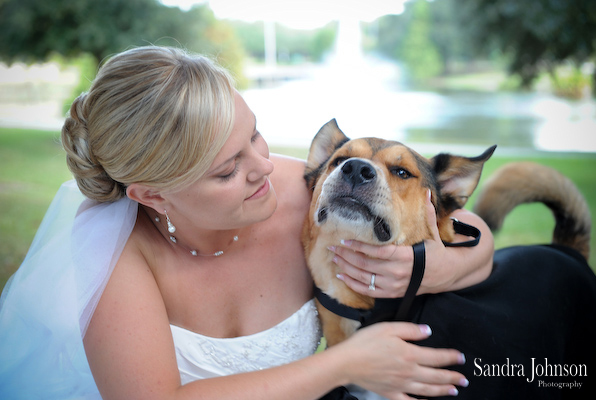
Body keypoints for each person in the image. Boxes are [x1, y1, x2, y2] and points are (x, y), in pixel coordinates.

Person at [0, 46, 498, 400]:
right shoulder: (116, 259)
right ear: (152, 195)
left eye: (254, 136)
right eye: (227, 169)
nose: (263, 166)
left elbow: (461, 221)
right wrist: (346, 364)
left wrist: (435, 268)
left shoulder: (294, 187)